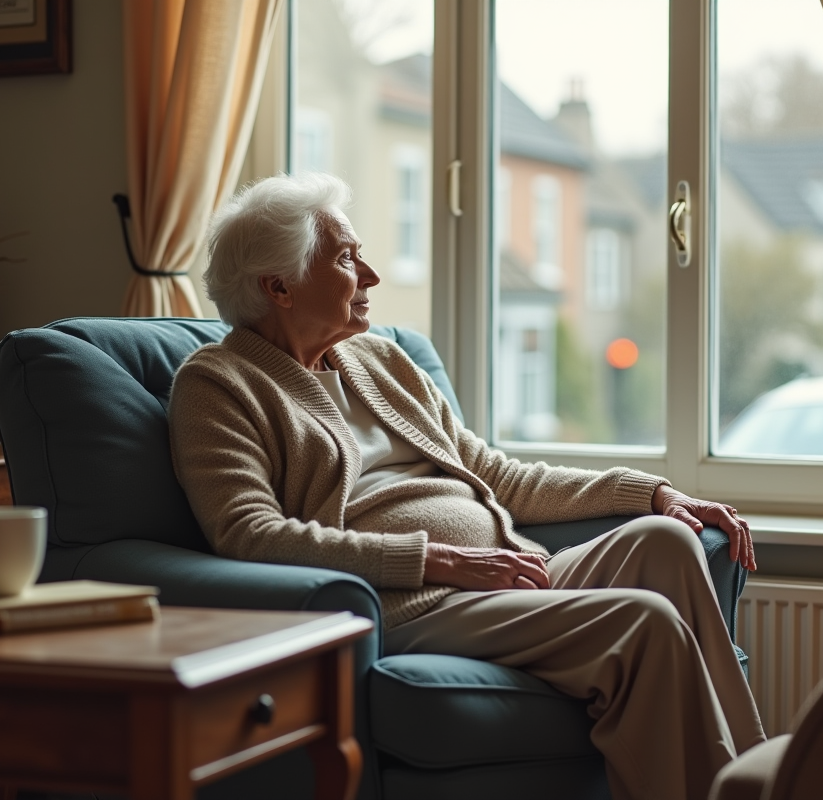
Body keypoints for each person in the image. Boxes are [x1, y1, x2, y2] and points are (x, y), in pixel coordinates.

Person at [168, 172, 766, 800]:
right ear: (278, 286)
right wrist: (441, 561)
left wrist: (651, 493)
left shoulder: (382, 360)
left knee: (666, 541)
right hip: (413, 604)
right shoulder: (218, 384)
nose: (370, 276)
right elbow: (247, 533)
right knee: (641, 622)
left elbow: (500, 476)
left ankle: (753, 782)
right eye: (346, 259)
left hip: (503, 575)